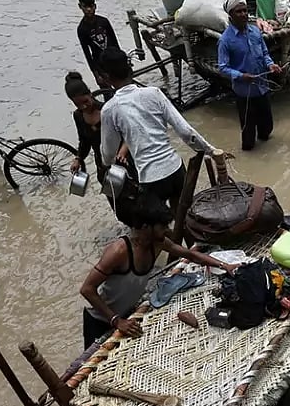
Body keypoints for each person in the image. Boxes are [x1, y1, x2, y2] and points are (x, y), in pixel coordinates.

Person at [80, 197, 238, 348]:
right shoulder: (119, 251)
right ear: (145, 227)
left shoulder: (158, 243)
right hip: (100, 319)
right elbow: (87, 289)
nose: (167, 230)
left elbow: (190, 255)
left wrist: (224, 265)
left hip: (128, 313)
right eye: (162, 227)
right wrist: (116, 320)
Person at [98, 48, 219, 217]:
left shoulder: (109, 110)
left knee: (157, 227)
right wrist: (211, 151)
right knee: (183, 216)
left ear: (106, 77)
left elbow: (108, 154)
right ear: (130, 68)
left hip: (150, 177)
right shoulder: (154, 93)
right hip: (175, 169)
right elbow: (186, 132)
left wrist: (108, 162)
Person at [218, 0, 282, 151]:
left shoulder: (255, 32)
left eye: (245, 11)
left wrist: (271, 64)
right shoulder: (225, 40)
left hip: (262, 87)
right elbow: (223, 67)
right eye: (238, 11)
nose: (243, 14)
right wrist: (241, 76)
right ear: (230, 15)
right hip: (244, 93)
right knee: (248, 136)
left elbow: (265, 53)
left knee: (267, 128)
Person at [65, 72, 130, 183]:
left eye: (85, 101)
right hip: (102, 163)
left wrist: (123, 151)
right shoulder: (78, 116)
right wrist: (78, 159)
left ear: (90, 94)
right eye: (78, 104)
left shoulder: (107, 110)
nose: (84, 107)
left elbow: (128, 132)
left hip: (123, 158)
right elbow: (84, 141)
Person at [77, 0, 122, 89]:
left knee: (123, 87)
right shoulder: (82, 29)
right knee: (107, 92)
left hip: (114, 59)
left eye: (91, 6)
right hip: (100, 65)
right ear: (80, 6)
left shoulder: (104, 21)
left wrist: (122, 60)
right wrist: (96, 75)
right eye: (85, 7)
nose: (89, 9)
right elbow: (87, 54)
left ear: (95, 6)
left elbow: (115, 42)